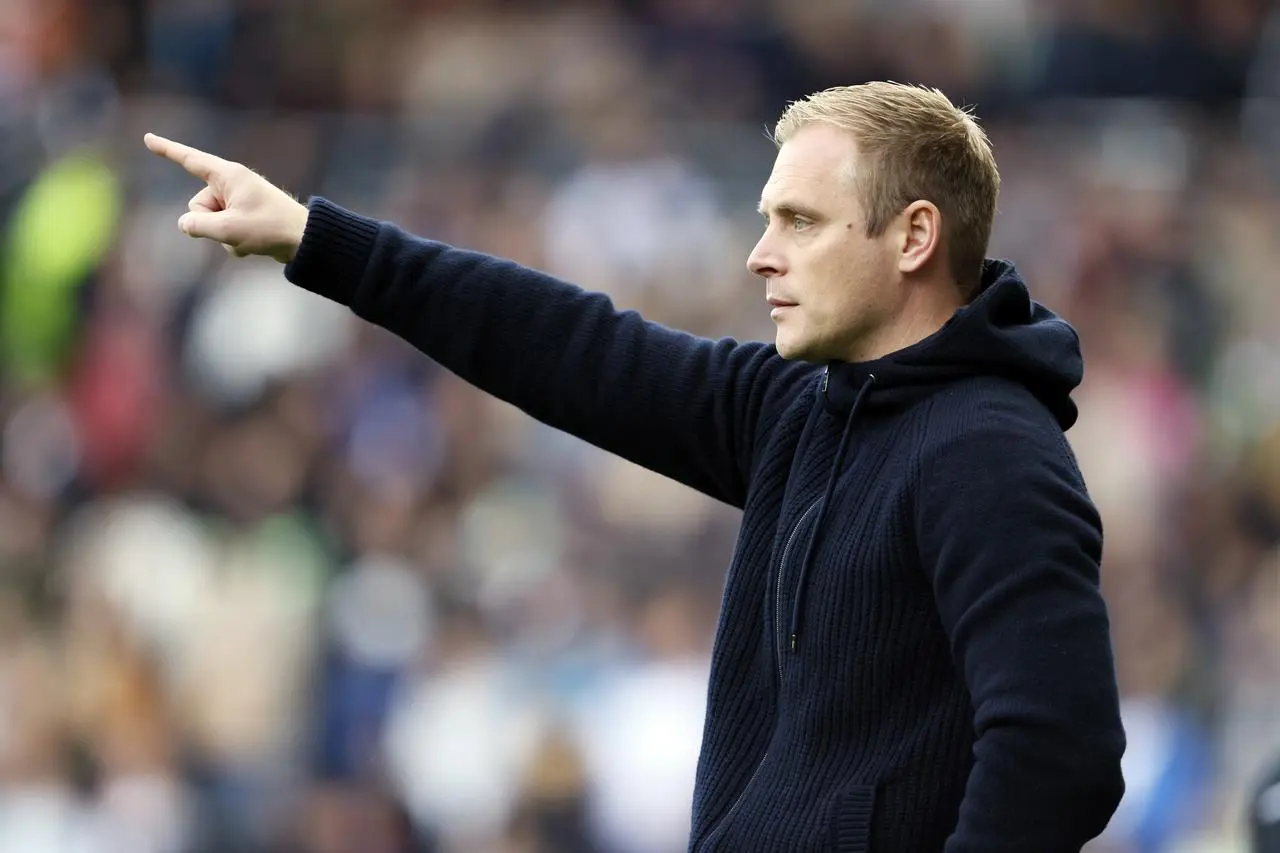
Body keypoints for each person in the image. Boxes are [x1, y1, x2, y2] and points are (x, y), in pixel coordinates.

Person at [144, 81, 1126, 852]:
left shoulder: (989, 449)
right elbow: (568, 345)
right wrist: (319, 240)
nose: (758, 255)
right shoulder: (793, 408)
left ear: (913, 235)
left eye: (799, 220)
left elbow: (1060, 748)